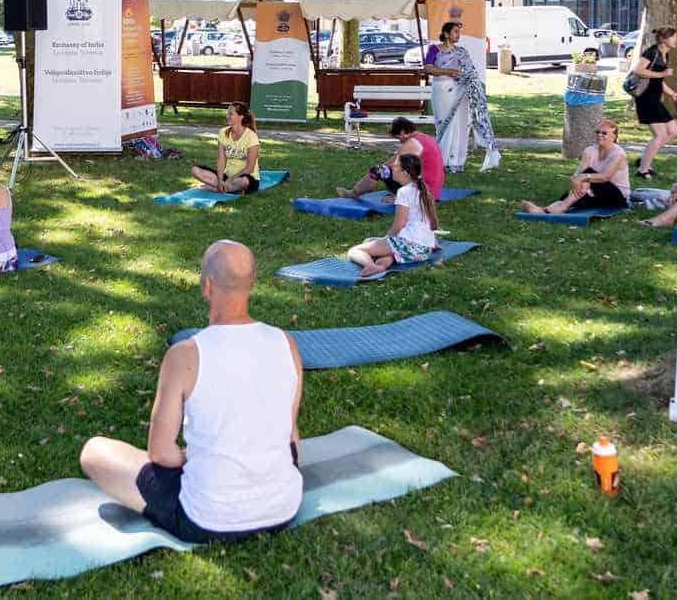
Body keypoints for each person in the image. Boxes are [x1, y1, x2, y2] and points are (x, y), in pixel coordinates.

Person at [79, 240, 304, 544]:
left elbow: (160, 453)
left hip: (206, 519)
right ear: (251, 284)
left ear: (208, 286)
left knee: (94, 450)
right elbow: (289, 432)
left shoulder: (185, 356)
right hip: (283, 508)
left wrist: (197, 457)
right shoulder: (286, 343)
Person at [422, 21, 501, 172]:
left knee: (461, 124)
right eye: (455, 32)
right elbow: (428, 68)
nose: (458, 35)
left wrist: (469, 80)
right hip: (442, 89)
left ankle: (457, 162)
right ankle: (442, 161)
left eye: (459, 32)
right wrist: (447, 71)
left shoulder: (462, 52)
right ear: (446, 34)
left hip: (461, 90)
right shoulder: (434, 49)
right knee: (444, 123)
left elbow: (470, 71)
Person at [346, 153, 441, 277]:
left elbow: (399, 225)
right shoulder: (421, 189)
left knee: (355, 250)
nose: (391, 168)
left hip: (410, 244)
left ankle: (370, 266)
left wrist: (387, 238)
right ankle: (381, 265)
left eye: (395, 166)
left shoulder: (404, 192)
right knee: (370, 241)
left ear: (404, 173)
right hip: (424, 249)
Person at [519, 118, 631, 215]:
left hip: (617, 195)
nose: (599, 135)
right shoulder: (590, 150)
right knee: (568, 196)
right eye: (597, 132)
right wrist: (579, 183)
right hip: (595, 192)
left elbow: (605, 177)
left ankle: (557, 208)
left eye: (604, 133)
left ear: (614, 136)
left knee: (587, 174)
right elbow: (577, 175)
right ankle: (544, 211)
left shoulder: (618, 154)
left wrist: (583, 178)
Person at [336, 116, 445, 202]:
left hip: (424, 194)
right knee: (389, 170)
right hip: (432, 191)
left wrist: (375, 172)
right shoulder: (425, 138)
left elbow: (393, 164)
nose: (400, 141)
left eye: (398, 138)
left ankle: (354, 193)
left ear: (402, 132)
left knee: (378, 170)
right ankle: (356, 191)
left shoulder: (412, 143)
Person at [631, 26, 677, 178]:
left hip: (655, 97)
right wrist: (662, 73)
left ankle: (645, 158)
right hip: (645, 98)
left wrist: (672, 93)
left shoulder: (666, 55)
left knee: (673, 131)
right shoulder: (652, 52)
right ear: (664, 39)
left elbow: (658, 81)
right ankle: (642, 170)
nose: (676, 39)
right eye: (674, 37)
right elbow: (638, 70)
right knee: (659, 135)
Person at [190, 102, 261, 195]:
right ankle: (224, 188)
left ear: (241, 117)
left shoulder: (251, 136)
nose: (227, 116)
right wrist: (220, 180)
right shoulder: (223, 132)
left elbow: (250, 168)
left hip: (247, 178)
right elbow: (221, 160)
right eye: (227, 113)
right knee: (195, 170)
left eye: (231, 114)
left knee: (244, 181)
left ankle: (218, 188)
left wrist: (230, 180)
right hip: (227, 177)